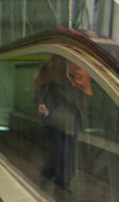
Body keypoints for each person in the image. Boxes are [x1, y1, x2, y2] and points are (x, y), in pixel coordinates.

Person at [32, 55, 92, 190]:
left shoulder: (85, 69)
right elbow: (39, 85)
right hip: (55, 116)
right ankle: (51, 171)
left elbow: (87, 94)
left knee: (70, 151)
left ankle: (63, 181)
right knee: (58, 149)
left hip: (73, 118)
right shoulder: (56, 66)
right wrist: (41, 102)